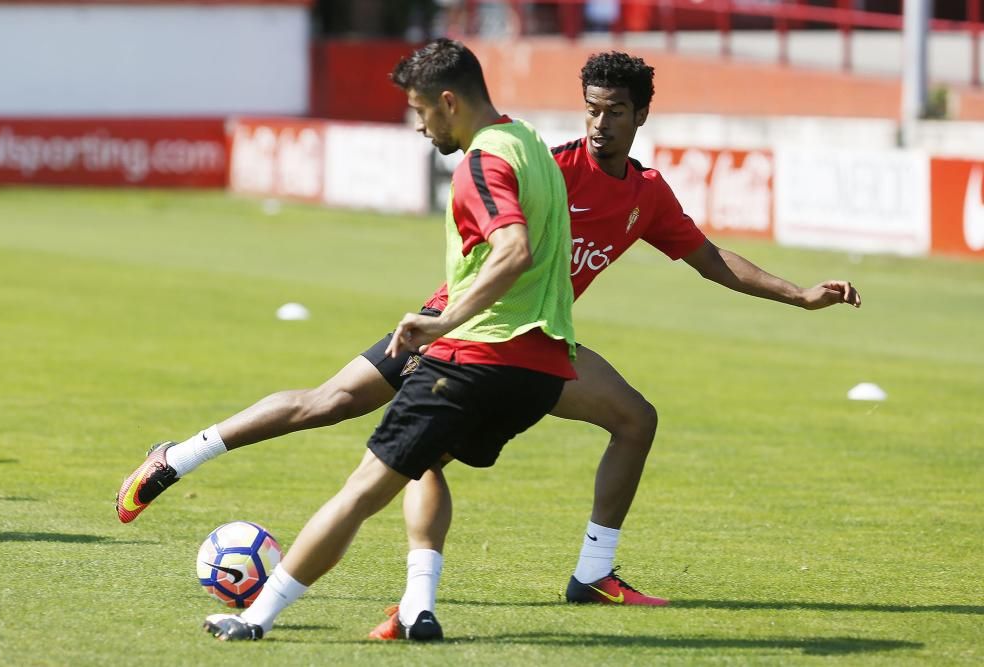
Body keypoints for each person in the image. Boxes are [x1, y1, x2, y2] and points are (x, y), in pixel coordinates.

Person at [116, 50, 862, 638]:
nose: (599, 125)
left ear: (641, 116)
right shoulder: (545, 160)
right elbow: (501, 240)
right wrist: (448, 319)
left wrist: (798, 292)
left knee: (635, 417)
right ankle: (180, 457)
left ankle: (585, 575)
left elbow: (709, 258)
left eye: (614, 113)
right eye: (592, 110)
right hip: (459, 325)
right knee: (327, 403)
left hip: (536, 340)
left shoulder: (645, 194)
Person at [193, 37, 578, 641]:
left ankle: (253, 618)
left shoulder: (482, 162)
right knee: (423, 467)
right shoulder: (529, 142)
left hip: (473, 358)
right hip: (540, 373)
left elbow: (513, 251)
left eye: (421, 111)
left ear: (448, 102)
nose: (420, 126)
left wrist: (444, 321)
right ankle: (415, 608)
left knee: (359, 493)